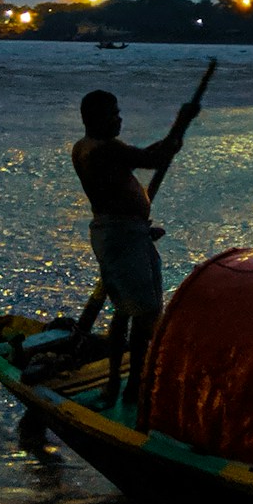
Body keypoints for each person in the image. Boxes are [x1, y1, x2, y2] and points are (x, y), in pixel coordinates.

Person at [71, 88, 192, 409]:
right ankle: (130, 385)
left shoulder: (99, 149)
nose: (118, 118)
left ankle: (125, 384)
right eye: (112, 113)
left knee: (130, 309)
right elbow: (153, 159)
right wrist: (180, 125)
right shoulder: (98, 149)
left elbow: (148, 158)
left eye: (118, 111)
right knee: (143, 312)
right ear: (94, 119)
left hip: (130, 234)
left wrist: (172, 141)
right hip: (120, 237)